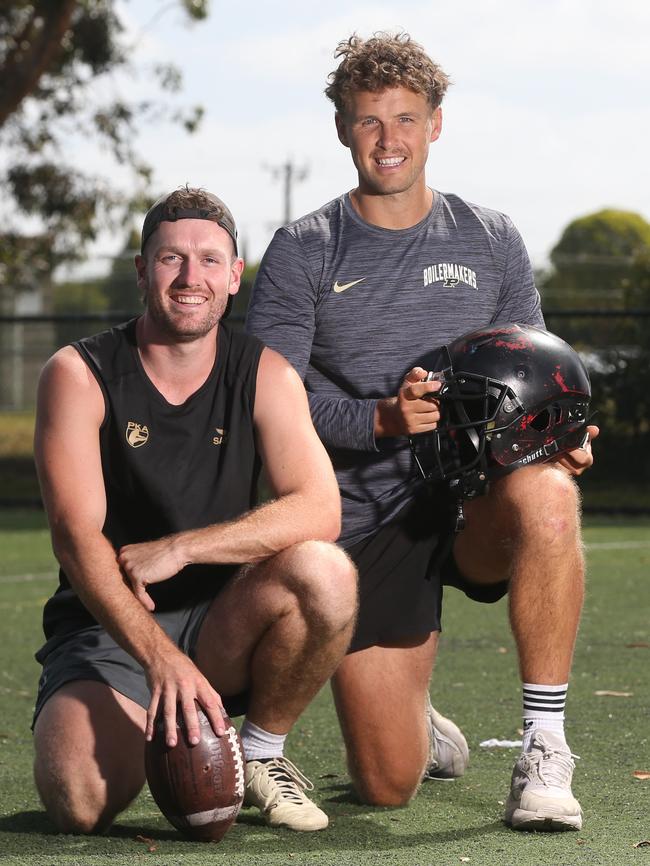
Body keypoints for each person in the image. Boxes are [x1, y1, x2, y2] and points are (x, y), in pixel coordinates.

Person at [246, 33, 599, 831]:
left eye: (405, 118)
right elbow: (272, 403)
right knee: (388, 784)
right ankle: (421, 720)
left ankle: (545, 749)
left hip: (475, 495)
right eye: (368, 121)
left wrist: (564, 435)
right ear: (342, 129)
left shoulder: (492, 237)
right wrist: (377, 418)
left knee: (549, 493)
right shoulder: (303, 250)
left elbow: (532, 370)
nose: (388, 140)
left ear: (436, 123)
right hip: (370, 513)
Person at [32, 186, 358, 835]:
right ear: (142, 269)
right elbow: (77, 538)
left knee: (325, 571)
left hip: (226, 622)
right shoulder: (80, 372)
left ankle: (262, 750)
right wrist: (160, 659)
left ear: (235, 276)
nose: (190, 278)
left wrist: (185, 547)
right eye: (171, 259)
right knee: (79, 801)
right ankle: (161, 727)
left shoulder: (264, 373)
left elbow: (320, 509)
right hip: (113, 630)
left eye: (210, 260)